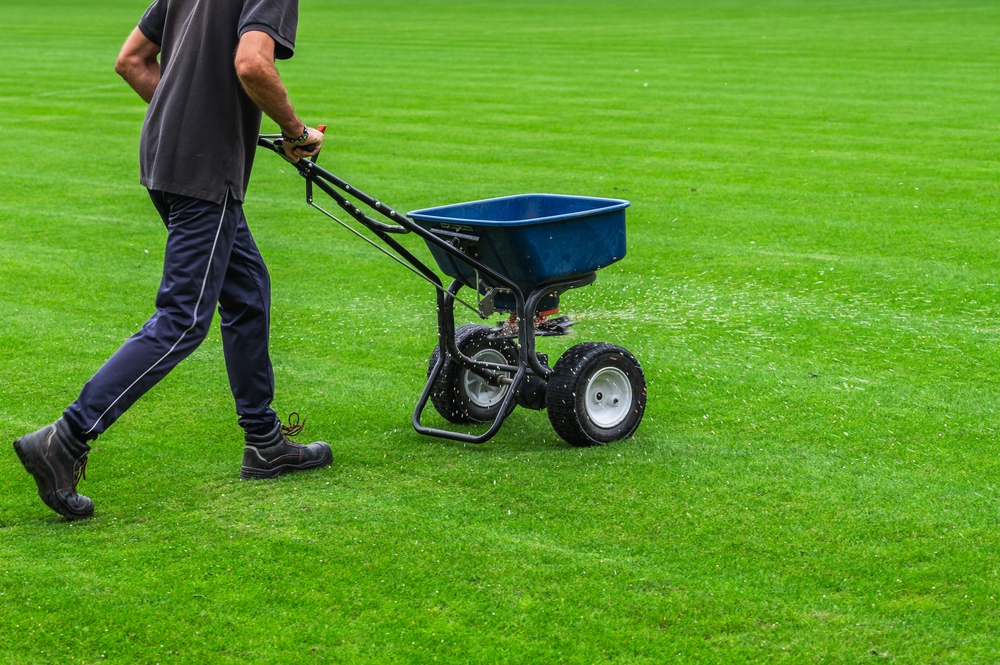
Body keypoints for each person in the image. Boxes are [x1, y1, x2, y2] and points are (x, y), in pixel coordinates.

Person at [13, 0, 332, 521]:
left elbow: (131, 60)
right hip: (205, 177)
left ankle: (265, 442)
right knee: (182, 321)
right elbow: (252, 63)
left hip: (167, 159)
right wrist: (298, 132)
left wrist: (192, 117)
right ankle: (64, 439)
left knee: (247, 292)